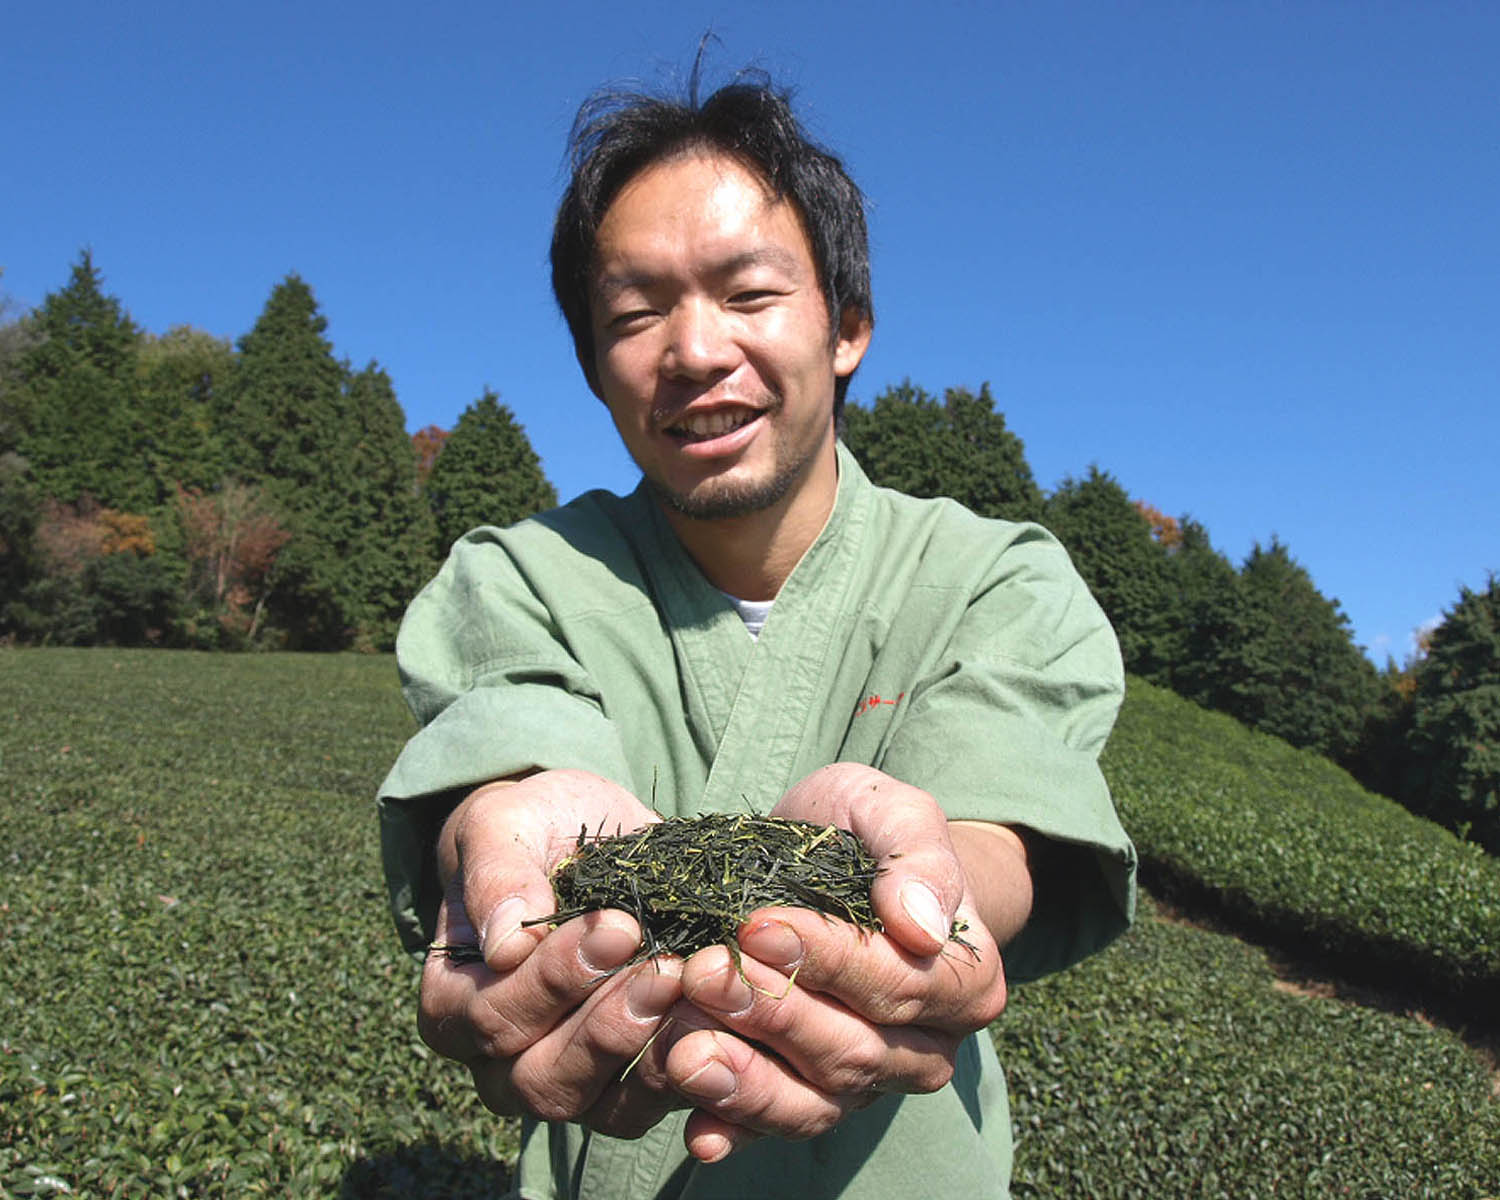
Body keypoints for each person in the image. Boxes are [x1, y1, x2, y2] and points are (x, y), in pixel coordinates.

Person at [377, 73, 1136, 1200]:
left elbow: (995, 822)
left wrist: (927, 892)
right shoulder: (515, 574)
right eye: (634, 314)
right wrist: (500, 839)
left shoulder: (994, 576)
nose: (691, 349)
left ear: (848, 326)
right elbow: (513, 748)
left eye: (748, 293)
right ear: (594, 368)